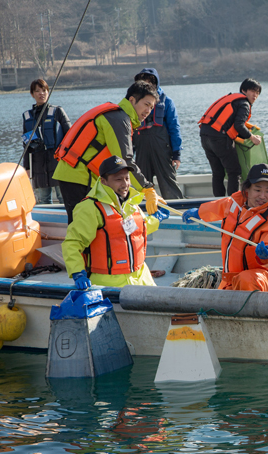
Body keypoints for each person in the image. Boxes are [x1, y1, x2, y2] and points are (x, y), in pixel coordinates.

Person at [53, 81, 162, 223]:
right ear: (132, 100)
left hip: (79, 176)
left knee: (92, 226)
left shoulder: (119, 116)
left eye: (152, 107)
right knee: (82, 228)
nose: (149, 111)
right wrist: (147, 189)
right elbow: (125, 160)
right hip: (77, 178)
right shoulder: (118, 119)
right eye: (146, 104)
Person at [62, 156, 170, 289]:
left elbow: (137, 229)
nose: (125, 184)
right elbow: (73, 243)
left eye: (127, 178)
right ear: (104, 181)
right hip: (108, 283)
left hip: (142, 278)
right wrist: (77, 272)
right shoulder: (90, 207)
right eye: (118, 179)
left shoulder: (131, 202)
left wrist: (156, 219)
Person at [181, 163, 268, 292]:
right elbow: (219, 207)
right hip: (231, 281)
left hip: (265, 282)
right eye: (258, 189)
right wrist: (200, 212)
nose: (262, 196)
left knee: (246, 279)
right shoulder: (235, 203)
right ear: (247, 189)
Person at [199, 78, 262, 197]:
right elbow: (239, 125)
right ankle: (233, 204)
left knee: (217, 173)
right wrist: (252, 137)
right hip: (219, 138)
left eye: (258, 93)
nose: (255, 95)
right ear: (244, 90)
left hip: (205, 135)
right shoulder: (244, 103)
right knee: (234, 172)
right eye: (252, 91)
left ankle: (219, 201)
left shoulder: (232, 100)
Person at [133, 68, 184, 200]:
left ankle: (177, 211)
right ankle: (142, 214)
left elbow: (174, 128)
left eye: (151, 81)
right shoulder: (133, 102)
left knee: (169, 184)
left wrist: (176, 154)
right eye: (144, 81)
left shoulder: (167, 102)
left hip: (162, 149)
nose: (148, 84)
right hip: (141, 149)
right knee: (141, 183)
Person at [22, 78, 71, 204]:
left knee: (63, 197)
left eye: (44, 90)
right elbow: (27, 146)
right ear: (32, 94)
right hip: (38, 165)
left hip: (57, 162)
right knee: (44, 199)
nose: (41, 93)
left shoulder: (57, 111)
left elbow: (71, 135)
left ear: (48, 92)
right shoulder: (28, 117)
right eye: (37, 91)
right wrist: (27, 167)